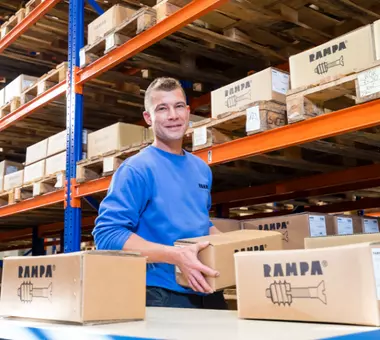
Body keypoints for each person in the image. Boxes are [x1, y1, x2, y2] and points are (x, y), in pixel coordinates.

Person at [92, 77, 227, 309]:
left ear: (187, 111)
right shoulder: (136, 169)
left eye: (177, 107)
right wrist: (175, 255)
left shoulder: (201, 169)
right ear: (148, 118)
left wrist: (234, 247)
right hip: (162, 293)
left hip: (208, 288)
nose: (172, 115)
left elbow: (201, 222)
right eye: (162, 109)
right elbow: (107, 234)